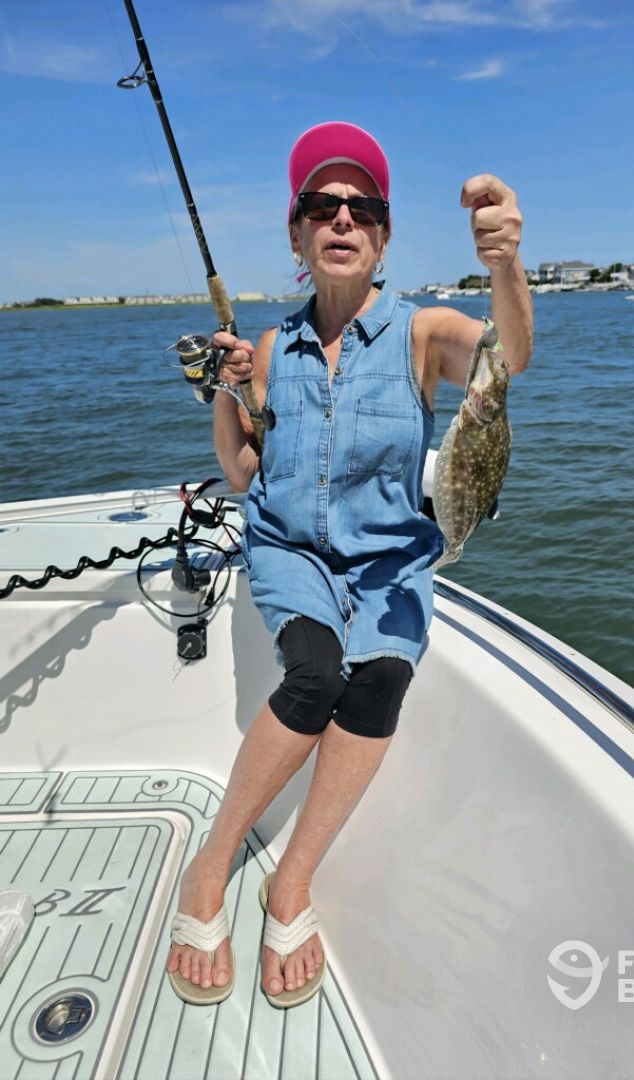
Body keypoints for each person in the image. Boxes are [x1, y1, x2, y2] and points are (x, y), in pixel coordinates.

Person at [166, 121, 533, 1008]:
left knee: (379, 682)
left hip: (387, 564)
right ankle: (210, 865)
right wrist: (224, 389)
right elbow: (241, 471)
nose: (342, 219)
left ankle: (289, 881)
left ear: (384, 235)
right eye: (321, 205)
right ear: (297, 233)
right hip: (290, 550)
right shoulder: (271, 347)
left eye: (362, 208)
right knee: (315, 673)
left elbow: (506, 361)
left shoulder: (423, 333)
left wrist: (506, 263)